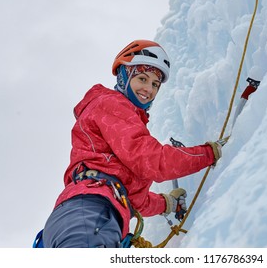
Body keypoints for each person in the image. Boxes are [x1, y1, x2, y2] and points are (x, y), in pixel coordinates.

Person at [41, 40, 225, 248]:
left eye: (155, 84)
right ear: (123, 76)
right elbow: (153, 160)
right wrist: (209, 153)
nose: (149, 89)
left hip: (90, 216)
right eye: (142, 78)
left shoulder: (120, 120)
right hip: (90, 213)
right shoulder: (111, 105)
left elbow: (135, 200)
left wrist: (167, 203)